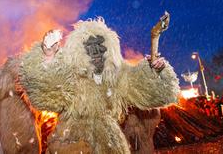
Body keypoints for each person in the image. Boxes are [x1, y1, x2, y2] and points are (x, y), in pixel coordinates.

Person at [18, 17, 180, 153]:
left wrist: (155, 72)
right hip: (72, 143)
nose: (96, 52)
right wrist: (47, 58)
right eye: (90, 47)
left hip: (108, 143)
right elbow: (45, 94)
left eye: (100, 46)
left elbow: (147, 91)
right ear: (80, 51)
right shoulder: (71, 75)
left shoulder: (118, 75)